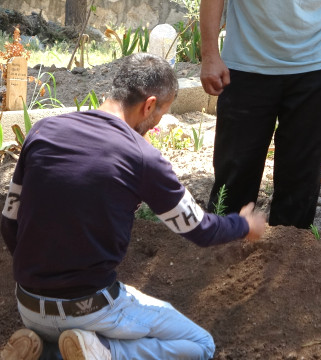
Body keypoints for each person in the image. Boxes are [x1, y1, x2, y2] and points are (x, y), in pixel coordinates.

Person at [0, 53, 266, 360]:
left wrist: (38, 277)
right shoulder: (142, 157)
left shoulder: (42, 132)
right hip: (91, 309)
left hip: (29, 305)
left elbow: (10, 221)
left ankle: (40, 346)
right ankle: (103, 353)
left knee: (69, 328)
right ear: (150, 105)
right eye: (162, 113)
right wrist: (244, 224)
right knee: (200, 345)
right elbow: (199, 229)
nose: (157, 124)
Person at [199, 0, 321, 229]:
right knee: (234, 175)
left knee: (301, 183)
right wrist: (209, 54)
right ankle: (222, 250)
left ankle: (287, 259)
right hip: (246, 63)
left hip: (320, 65)